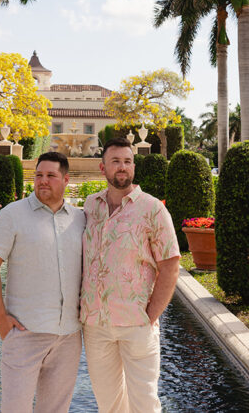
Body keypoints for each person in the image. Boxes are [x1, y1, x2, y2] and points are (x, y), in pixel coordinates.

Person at [80, 137, 180, 412]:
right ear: (103, 168)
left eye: (127, 161)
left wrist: (151, 314)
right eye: (115, 162)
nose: (122, 167)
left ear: (133, 167)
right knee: (108, 404)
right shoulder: (90, 207)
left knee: (145, 403)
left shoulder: (152, 209)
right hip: (95, 325)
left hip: (136, 323)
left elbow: (171, 263)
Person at [0, 151, 86, 413]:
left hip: (68, 336)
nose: (43, 181)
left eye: (51, 176)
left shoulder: (80, 219)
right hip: (25, 335)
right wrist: (1, 320)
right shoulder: (12, 214)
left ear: (66, 180)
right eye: (38, 175)